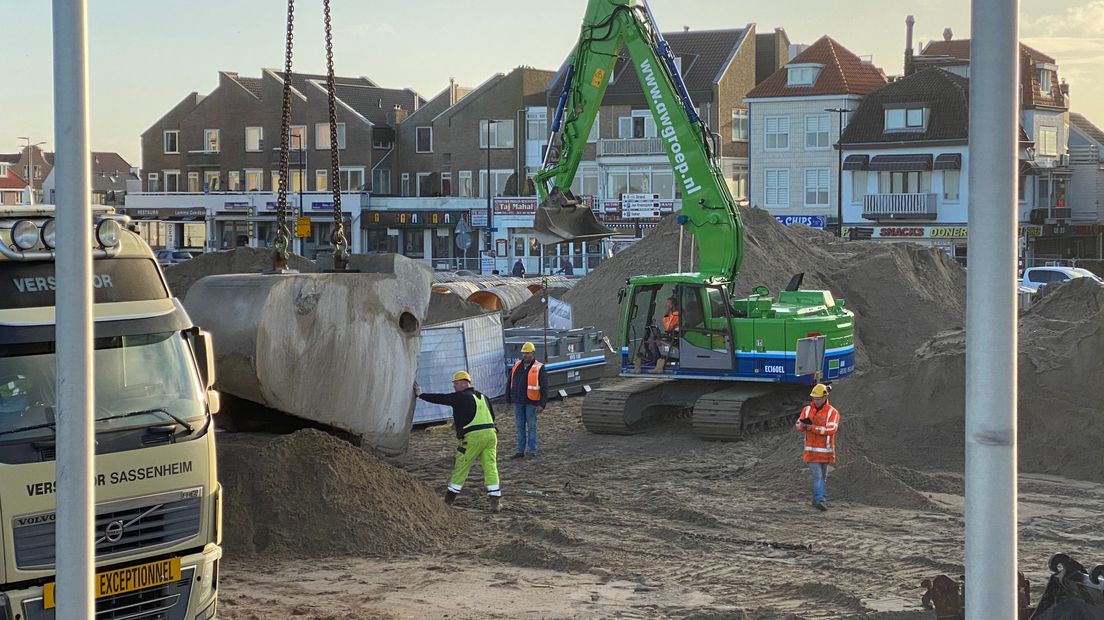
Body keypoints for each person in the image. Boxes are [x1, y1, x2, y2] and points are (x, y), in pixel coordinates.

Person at [414, 371, 502, 511]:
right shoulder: (483, 397)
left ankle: (448, 501)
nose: (454, 387)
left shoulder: (460, 397)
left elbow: (441, 398)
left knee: (462, 466)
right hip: (491, 436)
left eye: (455, 384)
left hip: (473, 438)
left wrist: (421, 395)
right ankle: (495, 501)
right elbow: (491, 416)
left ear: (463, 383)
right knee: (491, 467)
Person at [794, 383, 840, 511]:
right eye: (815, 399)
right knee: (817, 476)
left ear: (825, 398)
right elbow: (798, 424)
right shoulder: (807, 410)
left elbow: (832, 429)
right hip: (811, 452)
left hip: (825, 453)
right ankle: (820, 499)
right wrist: (802, 426)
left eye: (819, 399)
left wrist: (812, 428)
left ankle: (815, 500)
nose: (816, 401)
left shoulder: (832, 412)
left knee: (822, 477)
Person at [506, 341, 548, 458]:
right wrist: (508, 397)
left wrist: (542, 404)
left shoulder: (539, 367)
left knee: (531, 427)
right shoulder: (517, 365)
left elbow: (544, 387)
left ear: (533, 353)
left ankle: (532, 450)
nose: (525, 355)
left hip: (531, 402)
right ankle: (520, 451)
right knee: (520, 427)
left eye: (527, 353)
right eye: (524, 353)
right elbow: (510, 382)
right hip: (518, 402)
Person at [635, 297, 680, 373]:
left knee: (655, 339)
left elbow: (670, 327)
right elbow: (668, 326)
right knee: (653, 337)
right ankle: (651, 361)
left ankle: (655, 361)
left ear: (672, 305)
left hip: (676, 337)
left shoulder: (676, 315)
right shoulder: (667, 316)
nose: (666, 305)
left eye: (668, 303)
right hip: (671, 335)